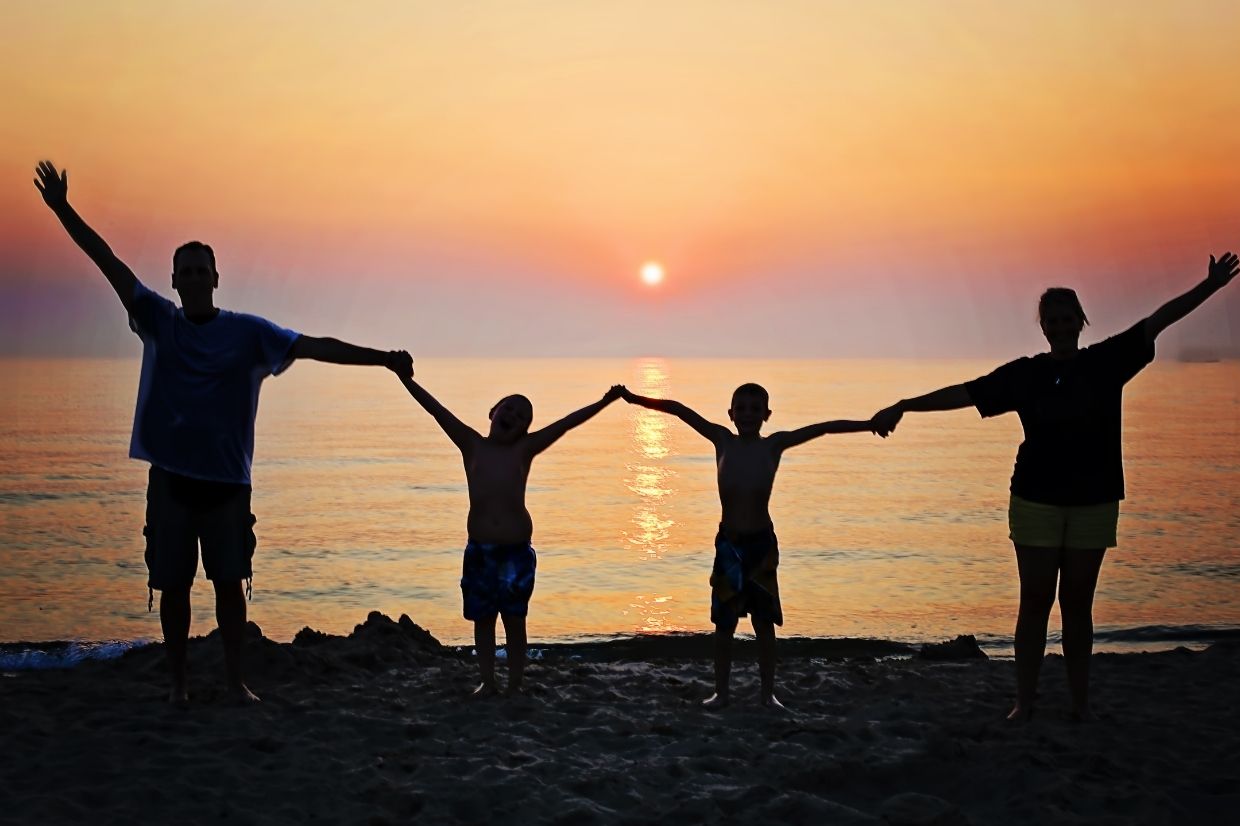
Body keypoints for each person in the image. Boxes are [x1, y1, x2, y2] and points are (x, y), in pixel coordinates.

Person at [34, 160, 413, 706]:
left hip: (228, 485)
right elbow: (107, 262)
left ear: (215, 278)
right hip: (171, 481)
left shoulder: (248, 333)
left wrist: (383, 360)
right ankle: (180, 687)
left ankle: (235, 682)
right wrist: (63, 209)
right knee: (173, 588)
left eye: (199, 270)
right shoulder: (158, 320)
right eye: (182, 271)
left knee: (230, 587)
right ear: (173, 281)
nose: (191, 278)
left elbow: (314, 345)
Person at [871, 253, 1240, 721]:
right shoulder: (1025, 374)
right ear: (1043, 327)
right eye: (1053, 321)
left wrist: (1209, 286)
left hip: (1094, 500)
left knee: (1077, 608)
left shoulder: (1107, 361)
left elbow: (1159, 320)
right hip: (1035, 500)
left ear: (1081, 321)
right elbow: (966, 393)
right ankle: (1024, 703)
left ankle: (1080, 706)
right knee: (1035, 604)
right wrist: (904, 404)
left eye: (1069, 319)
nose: (1062, 327)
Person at [619, 382, 887, 708]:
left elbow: (824, 428)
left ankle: (767, 694)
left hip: (761, 544)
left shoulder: (774, 445)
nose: (748, 415)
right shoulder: (721, 439)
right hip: (729, 545)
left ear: (767, 415)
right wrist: (634, 399)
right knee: (724, 624)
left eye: (755, 409)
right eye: (741, 409)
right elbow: (679, 410)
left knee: (763, 623)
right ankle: (721, 692)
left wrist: (869, 424)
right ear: (730, 414)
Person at [393, 368, 623, 696]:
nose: (513, 416)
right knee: (483, 621)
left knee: (515, 622)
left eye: (522, 416)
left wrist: (604, 401)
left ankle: (515, 684)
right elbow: (435, 409)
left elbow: (567, 423)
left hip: (515, 552)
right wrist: (405, 377)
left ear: (525, 430)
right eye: (509, 408)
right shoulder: (470, 444)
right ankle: (487, 681)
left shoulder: (524, 450)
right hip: (480, 552)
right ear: (493, 412)